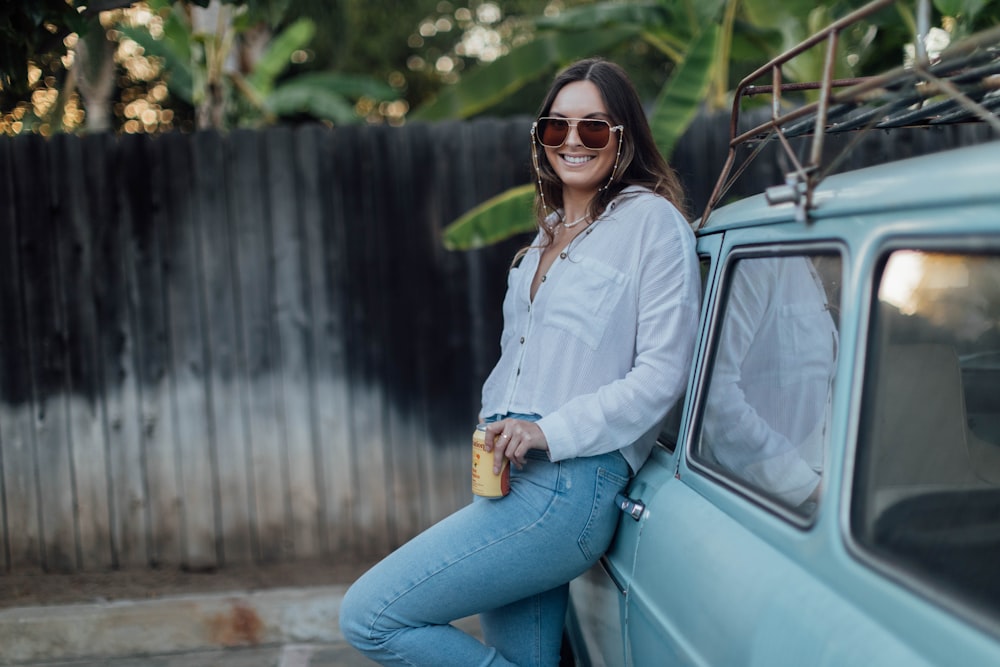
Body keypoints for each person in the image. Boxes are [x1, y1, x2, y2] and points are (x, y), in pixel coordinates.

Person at [339, 58, 700, 667]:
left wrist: (544, 429)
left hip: (568, 485)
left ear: (625, 136)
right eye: (556, 128)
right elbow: (518, 361)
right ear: (541, 141)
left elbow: (664, 373)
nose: (573, 142)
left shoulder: (651, 224)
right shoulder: (546, 236)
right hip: (506, 475)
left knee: (372, 617)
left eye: (594, 127)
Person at [700, 255, 839, 511]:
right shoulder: (758, 260)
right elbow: (714, 396)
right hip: (742, 502)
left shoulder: (812, 267)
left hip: (812, 506)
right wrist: (806, 485)